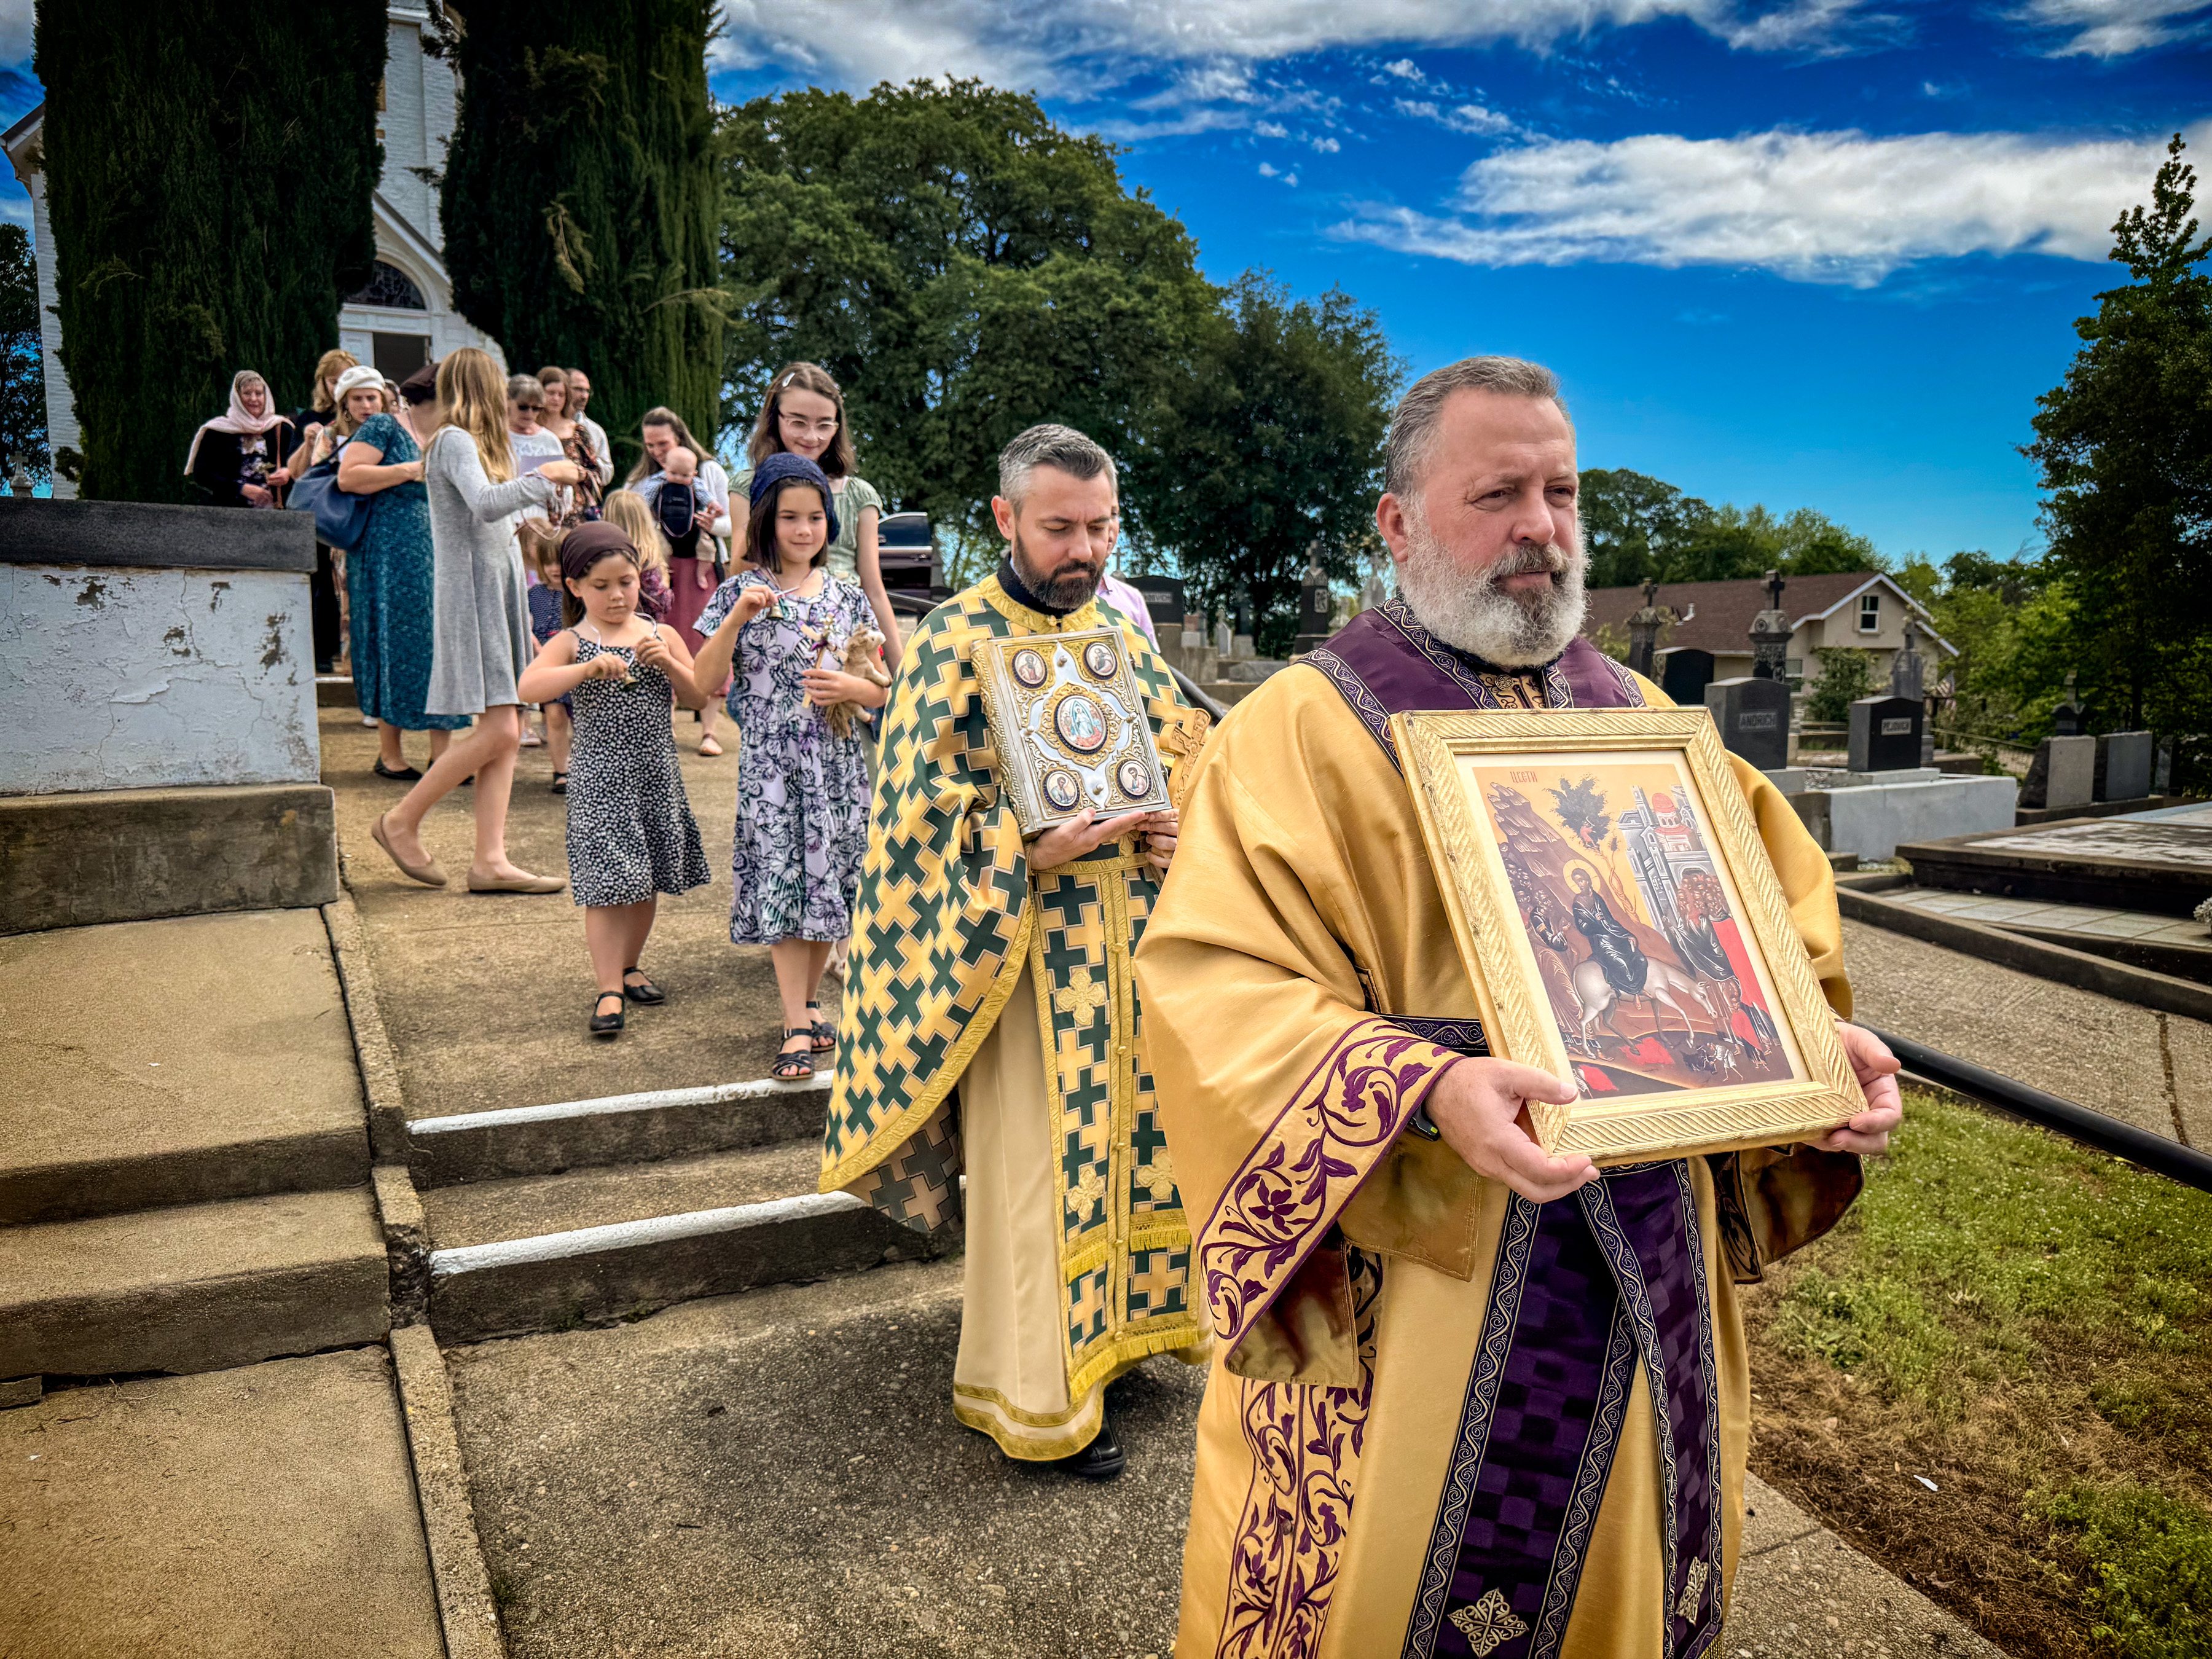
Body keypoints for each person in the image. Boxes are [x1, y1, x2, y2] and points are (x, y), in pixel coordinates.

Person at [1132, 356, 1905, 1657]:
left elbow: (1765, 935)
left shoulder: (1649, 727)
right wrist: (1423, 1086)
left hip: (1651, 1267)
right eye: (1497, 493)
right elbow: (1217, 986)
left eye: (1560, 490)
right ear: (1396, 523)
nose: (1541, 526)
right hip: (1429, 1275)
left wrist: (1808, 1051)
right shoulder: (1294, 734)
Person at [818, 424, 1207, 1480]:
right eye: (1059, 528)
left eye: (1100, 526)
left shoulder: (1121, 636)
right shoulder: (950, 639)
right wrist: (1021, 844)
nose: (1084, 548)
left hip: (1130, 947)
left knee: (1135, 1159)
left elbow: (1184, 752)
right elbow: (913, 814)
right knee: (1044, 1176)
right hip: (1024, 959)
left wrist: (1179, 818)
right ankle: (1041, 1400)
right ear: (1003, 520)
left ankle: (1119, 1347)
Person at [688, 453, 887, 1081]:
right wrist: (738, 619)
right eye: (790, 518)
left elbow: (879, 687)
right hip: (774, 767)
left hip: (837, 765)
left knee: (832, 886)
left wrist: (852, 691)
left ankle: (808, 1005)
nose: (804, 530)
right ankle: (795, 1023)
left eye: (816, 518)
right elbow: (702, 685)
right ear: (767, 521)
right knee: (783, 880)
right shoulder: (738, 593)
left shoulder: (848, 597)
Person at [366, 347, 584, 895]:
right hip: (476, 596)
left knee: (506, 735)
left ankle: (490, 860)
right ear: (485, 389)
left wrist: (545, 506)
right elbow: (486, 504)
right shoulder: (453, 439)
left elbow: (501, 517)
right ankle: (400, 821)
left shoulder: (476, 446)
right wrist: (546, 474)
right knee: (502, 730)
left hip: (497, 594)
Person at [517, 522, 712, 1038]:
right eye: (600, 586)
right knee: (607, 885)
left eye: (624, 582)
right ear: (576, 588)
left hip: (654, 774)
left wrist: (669, 662)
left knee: (645, 877)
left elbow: (699, 696)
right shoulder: (572, 640)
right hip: (599, 779)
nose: (615, 595)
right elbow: (529, 684)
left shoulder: (660, 633)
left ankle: (629, 965)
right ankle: (607, 987)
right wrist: (582, 671)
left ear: (639, 580)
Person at [330, 365, 469, 780]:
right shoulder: (385, 428)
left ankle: (441, 756)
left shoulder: (450, 435)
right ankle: (390, 754)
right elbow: (349, 477)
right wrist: (410, 470)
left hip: (440, 550)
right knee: (395, 639)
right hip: (390, 552)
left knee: (439, 642)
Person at [732, 363, 904, 672]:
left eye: (825, 424)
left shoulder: (858, 494)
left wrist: (902, 672)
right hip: (778, 639)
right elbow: (739, 572)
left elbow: (873, 588)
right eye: (798, 422)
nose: (812, 436)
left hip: (849, 638)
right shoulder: (747, 486)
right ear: (774, 419)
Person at [627, 408, 734, 754]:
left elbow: (731, 523)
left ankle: (710, 732)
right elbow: (630, 515)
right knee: (661, 644)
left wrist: (710, 524)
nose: (656, 451)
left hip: (700, 569)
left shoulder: (708, 472)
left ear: (680, 439)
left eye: (663, 443)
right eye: (650, 445)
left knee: (707, 641)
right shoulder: (646, 480)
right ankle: (667, 726)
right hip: (660, 571)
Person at [290, 348, 362, 673]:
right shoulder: (309, 419)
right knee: (322, 582)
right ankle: (322, 653)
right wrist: (308, 444)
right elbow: (296, 474)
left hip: (357, 508)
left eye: (345, 380)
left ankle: (348, 653)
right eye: (334, 381)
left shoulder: (367, 420)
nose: (338, 388)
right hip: (324, 509)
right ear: (323, 383)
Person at [184, 370, 296, 509]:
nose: (254, 399)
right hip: (230, 513)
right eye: (247, 393)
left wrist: (288, 473)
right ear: (237, 397)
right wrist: (240, 488)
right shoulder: (218, 430)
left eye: (259, 394)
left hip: (278, 512)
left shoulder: (282, 428)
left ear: (266, 396)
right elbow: (202, 474)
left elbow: (301, 466)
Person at [535, 366, 605, 520]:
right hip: (537, 510)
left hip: (574, 512)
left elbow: (597, 474)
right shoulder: (530, 428)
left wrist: (577, 473)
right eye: (551, 393)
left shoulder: (578, 431)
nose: (556, 399)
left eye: (561, 394)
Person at [565, 367, 615, 487]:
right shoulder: (545, 426)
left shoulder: (594, 431)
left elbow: (608, 474)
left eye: (587, 391)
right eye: (578, 389)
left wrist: (587, 459)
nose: (584, 396)